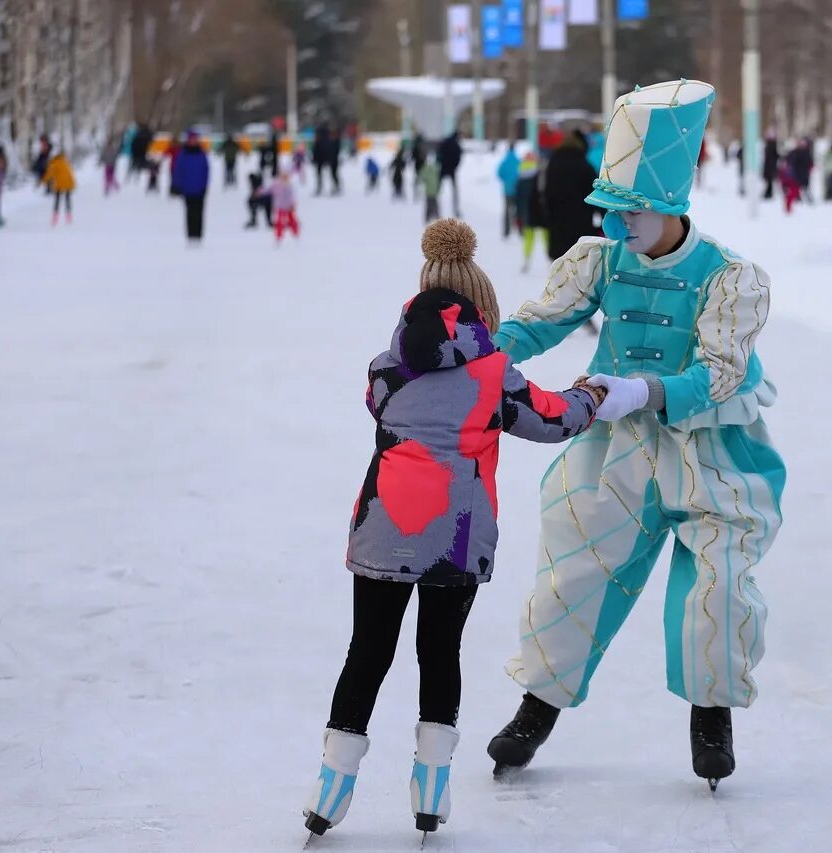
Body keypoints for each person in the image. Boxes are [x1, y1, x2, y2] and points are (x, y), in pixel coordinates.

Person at [485, 80, 785, 790]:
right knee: (575, 568)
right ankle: (537, 706)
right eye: (612, 214)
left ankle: (711, 713)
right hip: (614, 447)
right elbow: (537, 322)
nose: (617, 228)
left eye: (631, 215)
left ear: (670, 208)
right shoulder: (601, 258)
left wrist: (642, 390)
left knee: (718, 584)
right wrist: (478, 354)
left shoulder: (729, 277)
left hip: (712, 447)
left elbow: (720, 374)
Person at [300, 218, 602, 840]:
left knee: (368, 652)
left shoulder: (385, 370)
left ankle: (330, 790)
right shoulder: (493, 375)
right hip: (456, 539)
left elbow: (380, 406)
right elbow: (553, 420)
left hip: (384, 529)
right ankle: (431, 791)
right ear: (483, 312)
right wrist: (591, 394)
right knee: (439, 654)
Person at [543, 129, 600, 263]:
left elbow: (545, 192)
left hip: (556, 225)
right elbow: (595, 195)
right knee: (580, 269)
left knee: (559, 271)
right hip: (581, 226)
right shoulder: (585, 166)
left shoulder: (552, 163)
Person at [173, 132, 210, 242]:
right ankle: (190, 234)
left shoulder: (201, 154)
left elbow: (206, 171)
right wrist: (177, 185)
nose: (193, 141)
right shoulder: (183, 154)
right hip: (187, 188)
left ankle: (198, 234)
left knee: (199, 212)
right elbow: (179, 170)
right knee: (189, 212)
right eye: (191, 139)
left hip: (199, 188)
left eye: (195, 139)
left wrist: (204, 186)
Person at [515, 151, 546, 273]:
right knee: (546, 237)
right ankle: (550, 261)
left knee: (528, 239)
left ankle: (526, 261)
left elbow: (518, 197)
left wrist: (518, 214)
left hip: (526, 212)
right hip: (540, 211)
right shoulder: (539, 174)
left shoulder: (520, 175)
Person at [43, 148, 77, 226]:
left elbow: (49, 174)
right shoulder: (65, 162)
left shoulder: (54, 163)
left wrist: (43, 181)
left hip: (59, 184)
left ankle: (55, 218)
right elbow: (70, 173)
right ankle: (68, 216)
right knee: (67, 199)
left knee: (57, 200)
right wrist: (73, 184)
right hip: (68, 183)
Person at [496, 146, 521, 239]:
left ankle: (506, 231)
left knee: (506, 210)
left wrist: (506, 180)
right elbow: (522, 173)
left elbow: (499, 173)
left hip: (507, 190)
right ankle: (519, 230)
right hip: (517, 190)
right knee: (518, 210)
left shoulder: (504, 162)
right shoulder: (518, 161)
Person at [437, 132, 463, 219]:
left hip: (443, 169)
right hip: (451, 170)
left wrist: (440, 163)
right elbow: (459, 157)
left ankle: (436, 210)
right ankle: (456, 209)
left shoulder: (445, 142)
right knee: (454, 191)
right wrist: (454, 166)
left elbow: (438, 153)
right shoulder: (456, 145)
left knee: (437, 191)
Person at [271, 170, 299, 244]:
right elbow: (269, 190)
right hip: (280, 206)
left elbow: (293, 196)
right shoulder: (276, 185)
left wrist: (293, 204)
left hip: (288, 206)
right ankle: (278, 237)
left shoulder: (290, 186)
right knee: (279, 222)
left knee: (292, 221)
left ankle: (296, 234)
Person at [789, 137, 814, 203]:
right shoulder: (794, 152)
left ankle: (808, 199)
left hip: (804, 172)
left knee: (806, 186)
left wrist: (810, 166)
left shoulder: (806, 152)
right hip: (797, 172)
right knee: (797, 186)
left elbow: (810, 161)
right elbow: (790, 160)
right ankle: (797, 198)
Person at [419, 157, 440, 224]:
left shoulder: (428, 169)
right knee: (432, 204)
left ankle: (431, 217)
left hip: (430, 191)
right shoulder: (435, 169)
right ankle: (433, 217)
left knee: (431, 204)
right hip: (432, 191)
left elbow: (422, 178)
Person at [762, 132, 779, 199]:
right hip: (770, 166)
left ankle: (768, 193)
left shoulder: (770, 146)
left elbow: (775, 156)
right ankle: (768, 193)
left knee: (769, 181)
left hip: (770, 167)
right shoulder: (770, 145)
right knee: (769, 182)